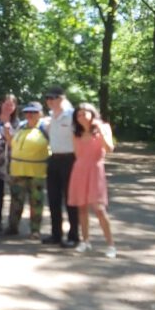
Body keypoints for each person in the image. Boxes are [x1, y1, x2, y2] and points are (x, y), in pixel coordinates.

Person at [69, 103, 116, 258]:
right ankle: (86, 241)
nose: (81, 117)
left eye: (84, 113)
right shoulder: (76, 133)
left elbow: (109, 148)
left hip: (96, 170)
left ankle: (111, 245)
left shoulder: (104, 127)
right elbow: (77, 154)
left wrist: (100, 131)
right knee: (81, 207)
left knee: (99, 208)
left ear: (92, 113)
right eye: (78, 115)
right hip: (80, 169)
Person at [44, 86, 80, 248]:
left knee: (71, 199)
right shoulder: (50, 116)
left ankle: (73, 236)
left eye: (53, 98)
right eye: (47, 98)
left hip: (70, 159)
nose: (49, 101)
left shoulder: (72, 115)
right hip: (54, 158)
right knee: (53, 199)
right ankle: (56, 234)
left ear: (61, 98)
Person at [6, 102, 49, 238]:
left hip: (37, 171)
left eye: (33, 112)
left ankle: (35, 230)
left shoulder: (45, 127)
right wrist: (7, 134)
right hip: (18, 170)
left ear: (40, 113)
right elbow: (12, 144)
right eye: (27, 112)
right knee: (16, 201)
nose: (29, 115)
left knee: (36, 202)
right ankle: (13, 227)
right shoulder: (21, 126)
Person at [0, 94, 18, 232]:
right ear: (1, 104)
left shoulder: (16, 122)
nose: (8, 107)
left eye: (11, 105)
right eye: (6, 104)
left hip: (3, 163)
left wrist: (7, 129)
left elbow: (12, 142)